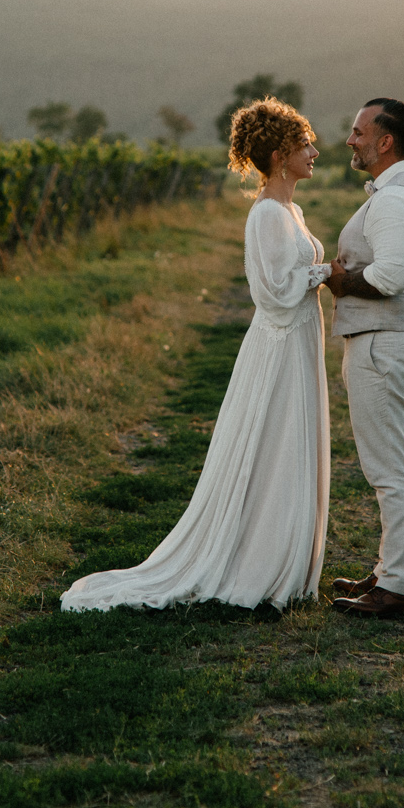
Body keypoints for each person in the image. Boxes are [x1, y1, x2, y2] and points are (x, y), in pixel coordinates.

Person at [61, 98, 332, 612]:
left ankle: (282, 550)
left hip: (298, 340)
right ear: (279, 155)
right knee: (275, 442)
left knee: (287, 441)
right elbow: (274, 292)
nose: (315, 152)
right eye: (304, 145)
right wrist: (327, 272)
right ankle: (259, 557)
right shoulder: (267, 214)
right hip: (280, 346)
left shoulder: (291, 211)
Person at [324, 98, 404, 619]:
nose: (350, 140)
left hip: (382, 342)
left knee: (388, 469)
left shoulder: (394, 200)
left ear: (384, 141)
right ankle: (389, 571)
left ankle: (395, 587)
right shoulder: (398, 191)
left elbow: (390, 277)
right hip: (384, 339)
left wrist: (339, 281)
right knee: (392, 464)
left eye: (358, 132)